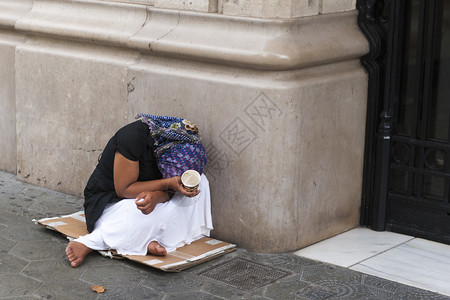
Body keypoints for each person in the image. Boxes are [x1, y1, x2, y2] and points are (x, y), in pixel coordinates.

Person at [65, 117, 212, 268]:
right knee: (133, 213)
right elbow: (124, 190)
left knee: (202, 182)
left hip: (152, 198)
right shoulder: (132, 138)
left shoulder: (178, 144)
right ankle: (92, 242)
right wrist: (168, 183)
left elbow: (169, 192)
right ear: (165, 156)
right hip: (112, 202)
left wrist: (157, 196)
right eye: (174, 174)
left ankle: (143, 240)